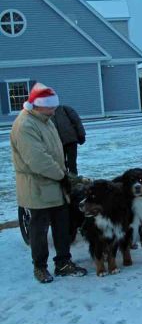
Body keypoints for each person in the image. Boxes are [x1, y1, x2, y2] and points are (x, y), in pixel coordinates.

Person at [10, 83, 87, 283]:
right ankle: (40, 267)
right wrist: (63, 176)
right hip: (37, 186)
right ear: (38, 105)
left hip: (55, 185)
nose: (54, 111)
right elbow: (38, 160)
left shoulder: (45, 120)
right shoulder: (25, 125)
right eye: (51, 107)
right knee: (39, 229)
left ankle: (63, 262)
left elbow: (55, 151)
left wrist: (64, 175)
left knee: (62, 224)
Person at [52, 104, 86, 176]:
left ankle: (73, 181)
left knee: (72, 164)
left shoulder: (65, 109)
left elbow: (77, 122)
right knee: (61, 164)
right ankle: (65, 181)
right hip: (57, 143)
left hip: (71, 140)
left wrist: (81, 135)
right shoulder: (46, 113)